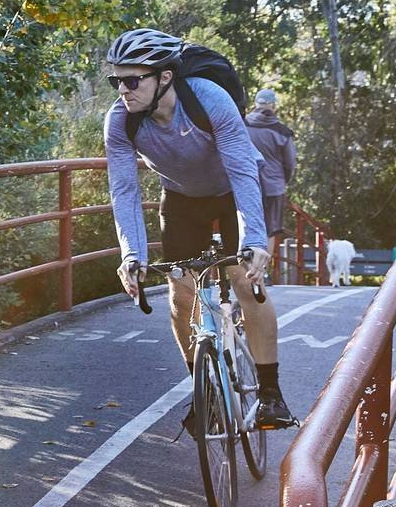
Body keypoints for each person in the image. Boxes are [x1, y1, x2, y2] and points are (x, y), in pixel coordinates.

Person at [102, 28, 296, 430]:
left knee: (245, 281)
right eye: (116, 80)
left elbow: (243, 170)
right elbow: (124, 191)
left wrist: (254, 240)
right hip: (181, 197)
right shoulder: (121, 121)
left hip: (231, 190)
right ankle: (204, 393)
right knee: (181, 293)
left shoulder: (208, 99)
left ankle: (271, 395)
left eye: (132, 80)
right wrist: (132, 254)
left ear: (165, 77)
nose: (122, 90)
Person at [245, 88, 297, 271]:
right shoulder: (282, 132)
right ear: (273, 106)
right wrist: (283, 180)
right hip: (274, 187)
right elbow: (290, 163)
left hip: (247, 183)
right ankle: (262, 272)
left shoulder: (242, 125)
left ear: (255, 104)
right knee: (271, 229)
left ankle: (245, 270)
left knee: (245, 226)